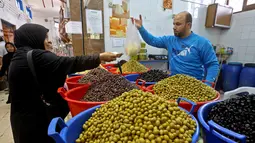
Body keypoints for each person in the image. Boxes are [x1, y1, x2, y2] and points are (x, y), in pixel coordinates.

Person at [8, 23, 121, 143]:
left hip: (22, 117)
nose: (48, 42)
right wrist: (99, 57)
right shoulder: (36, 55)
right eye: (45, 38)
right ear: (34, 38)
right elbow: (68, 63)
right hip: (34, 121)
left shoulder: (20, 55)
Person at [132, 11, 219, 85]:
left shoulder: (202, 42)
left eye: (178, 24)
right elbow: (152, 40)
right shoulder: (169, 40)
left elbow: (213, 65)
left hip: (194, 86)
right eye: (173, 24)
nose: (174, 27)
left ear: (188, 25)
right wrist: (141, 28)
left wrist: (207, 85)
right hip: (173, 84)